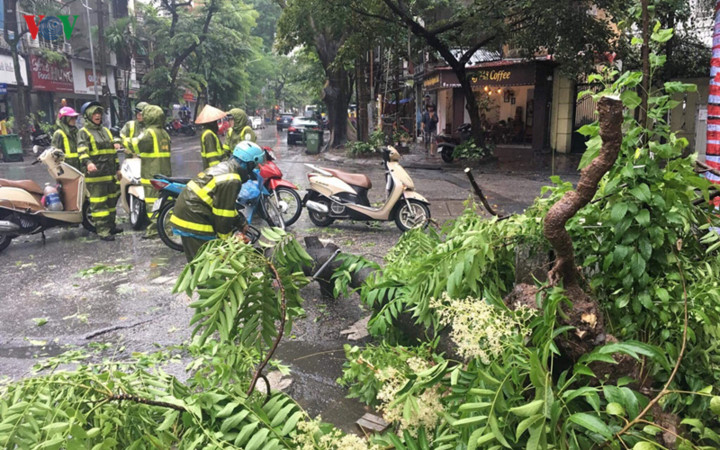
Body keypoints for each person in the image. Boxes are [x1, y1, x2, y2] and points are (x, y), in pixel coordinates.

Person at [170, 141, 266, 262]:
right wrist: (227, 243)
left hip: (190, 211)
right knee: (205, 264)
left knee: (203, 261)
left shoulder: (226, 167)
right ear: (250, 164)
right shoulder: (232, 180)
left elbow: (226, 207)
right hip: (194, 217)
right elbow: (223, 217)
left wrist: (241, 222)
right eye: (254, 165)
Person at [77, 101, 123, 241]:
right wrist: (88, 163)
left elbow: (112, 153)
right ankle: (103, 231)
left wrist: (117, 169)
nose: (97, 116)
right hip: (96, 176)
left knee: (111, 202)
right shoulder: (83, 132)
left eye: (99, 113)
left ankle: (111, 226)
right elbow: (82, 150)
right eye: (94, 113)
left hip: (109, 175)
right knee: (99, 204)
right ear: (88, 116)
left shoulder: (105, 131)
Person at [125, 105, 171, 239]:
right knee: (164, 201)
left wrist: (122, 140)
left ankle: (156, 230)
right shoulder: (164, 133)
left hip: (151, 173)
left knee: (152, 202)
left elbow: (136, 144)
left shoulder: (149, 133)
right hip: (164, 172)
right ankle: (163, 227)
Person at [195, 104, 226, 169]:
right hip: (214, 169)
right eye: (215, 122)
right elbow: (212, 156)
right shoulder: (209, 134)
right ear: (211, 123)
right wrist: (216, 170)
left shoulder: (209, 133)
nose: (216, 124)